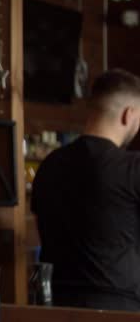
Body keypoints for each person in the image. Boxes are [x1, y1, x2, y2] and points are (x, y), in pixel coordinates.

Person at [31, 69, 140, 311]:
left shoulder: (50, 165)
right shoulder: (132, 168)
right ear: (128, 115)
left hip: (56, 306)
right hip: (120, 309)